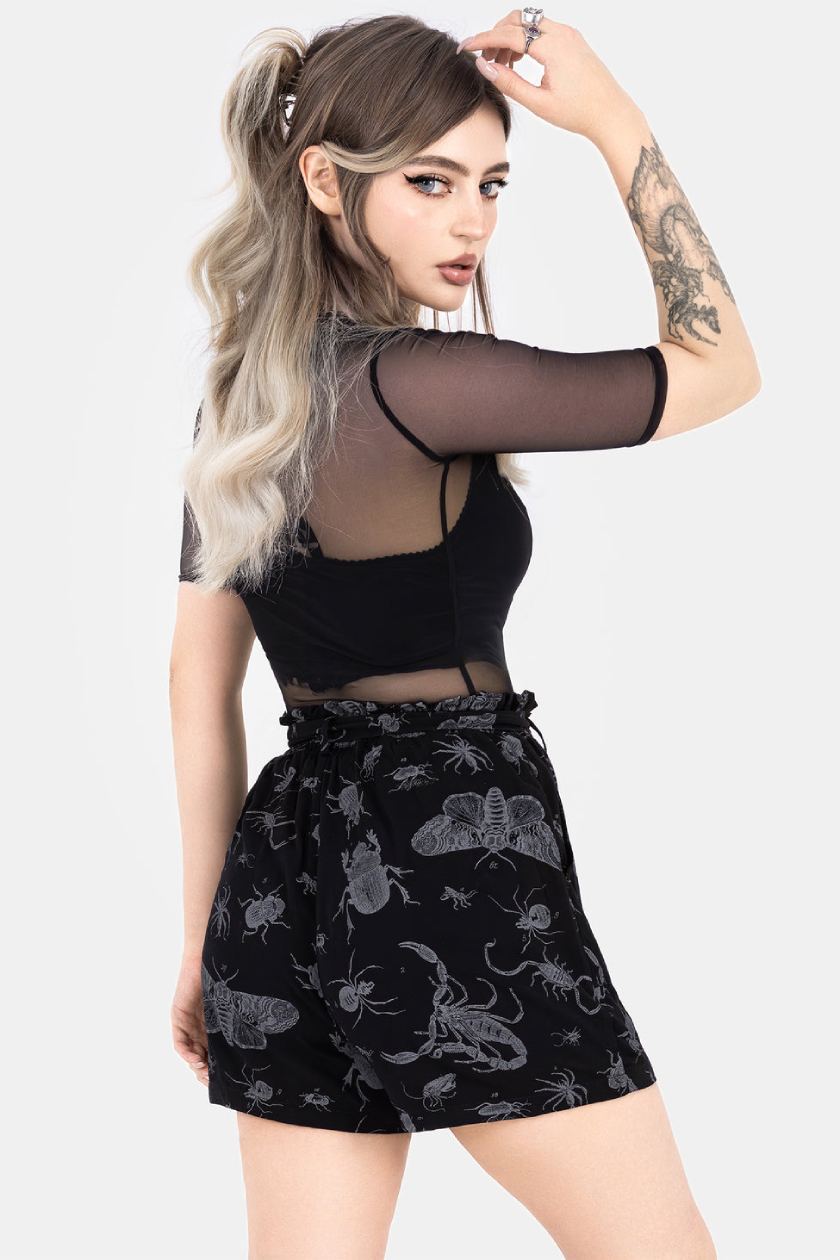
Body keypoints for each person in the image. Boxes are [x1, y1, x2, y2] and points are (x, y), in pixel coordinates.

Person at [169, 11, 759, 1258]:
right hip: (454, 866)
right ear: (324, 180)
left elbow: (196, 684)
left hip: (279, 886)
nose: (472, 221)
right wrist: (613, 122)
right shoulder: (421, 382)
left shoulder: (241, 406)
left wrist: (205, 944)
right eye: (430, 182)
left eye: (491, 183)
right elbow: (719, 367)